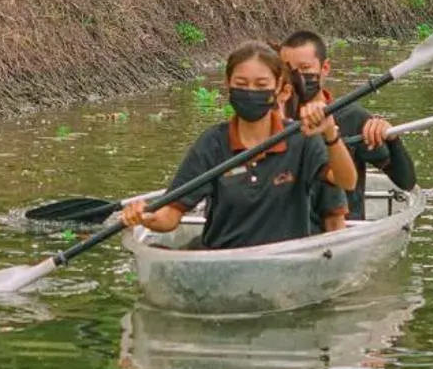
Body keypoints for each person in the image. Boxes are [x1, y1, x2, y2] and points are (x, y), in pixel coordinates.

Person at [122, 42, 358, 248]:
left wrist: (329, 132)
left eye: (261, 84)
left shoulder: (301, 139)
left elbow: (347, 180)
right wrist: (145, 217)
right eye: (242, 83)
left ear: (278, 88)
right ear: (228, 84)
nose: (250, 92)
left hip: (286, 267)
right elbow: (171, 214)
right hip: (223, 266)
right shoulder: (212, 143)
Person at [278, 30, 418, 223]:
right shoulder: (274, 119)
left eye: (305, 68)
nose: (297, 77)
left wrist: (391, 138)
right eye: (289, 70)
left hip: (343, 229)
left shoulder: (353, 118)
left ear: (325, 68)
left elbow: (406, 182)